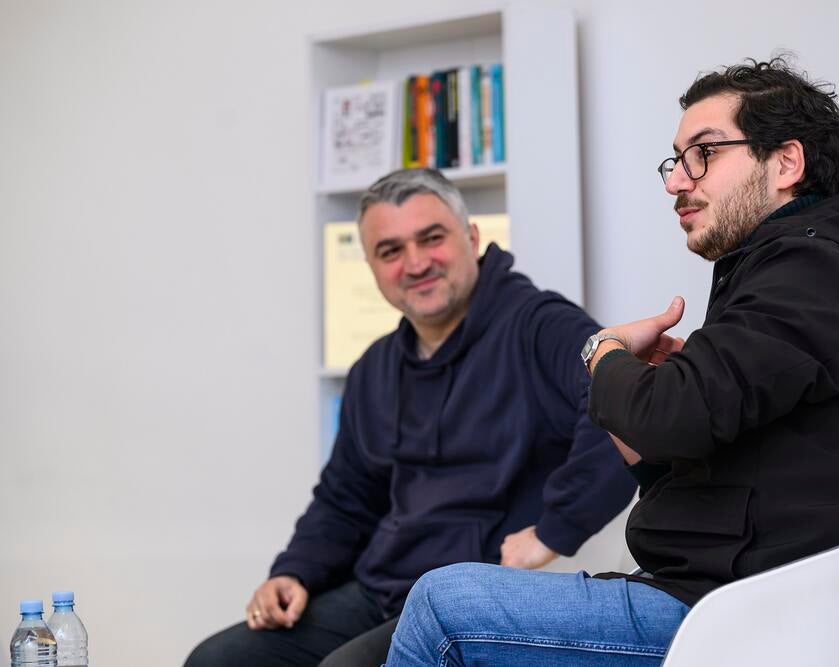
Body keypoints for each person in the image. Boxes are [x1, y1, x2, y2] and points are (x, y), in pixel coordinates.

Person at [385, 55, 839, 666]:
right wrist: (642, 419)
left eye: (703, 154)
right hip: (746, 599)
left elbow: (670, 417)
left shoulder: (810, 272)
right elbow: (707, 457)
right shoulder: (826, 271)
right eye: (676, 161)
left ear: (786, 162)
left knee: (443, 604)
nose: (676, 182)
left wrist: (601, 353)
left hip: (739, 619)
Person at [183, 168, 637, 667]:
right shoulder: (373, 369)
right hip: (383, 589)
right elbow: (345, 498)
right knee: (219, 660)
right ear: (373, 267)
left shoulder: (540, 326)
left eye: (431, 238)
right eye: (391, 250)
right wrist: (295, 571)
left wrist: (554, 530)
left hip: (475, 603)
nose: (416, 263)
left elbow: (620, 406)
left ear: (472, 237)